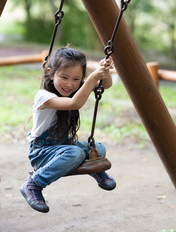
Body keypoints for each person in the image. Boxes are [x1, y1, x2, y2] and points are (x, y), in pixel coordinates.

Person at [20, 47, 116, 213]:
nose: (69, 84)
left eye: (76, 79)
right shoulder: (44, 97)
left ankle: (95, 170)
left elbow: (105, 85)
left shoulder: (75, 88)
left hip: (63, 145)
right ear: (50, 73)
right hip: (42, 152)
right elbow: (74, 104)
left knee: (99, 149)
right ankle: (33, 184)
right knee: (75, 153)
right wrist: (93, 78)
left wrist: (104, 72)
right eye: (64, 77)